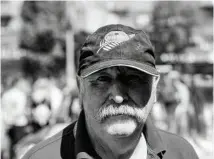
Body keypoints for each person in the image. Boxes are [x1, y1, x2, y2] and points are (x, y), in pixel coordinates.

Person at [22, 24, 198, 159]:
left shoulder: (181, 153)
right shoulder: (41, 157)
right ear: (80, 87)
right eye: (102, 79)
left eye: (133, 79)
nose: (118, 96)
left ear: (155, 86)